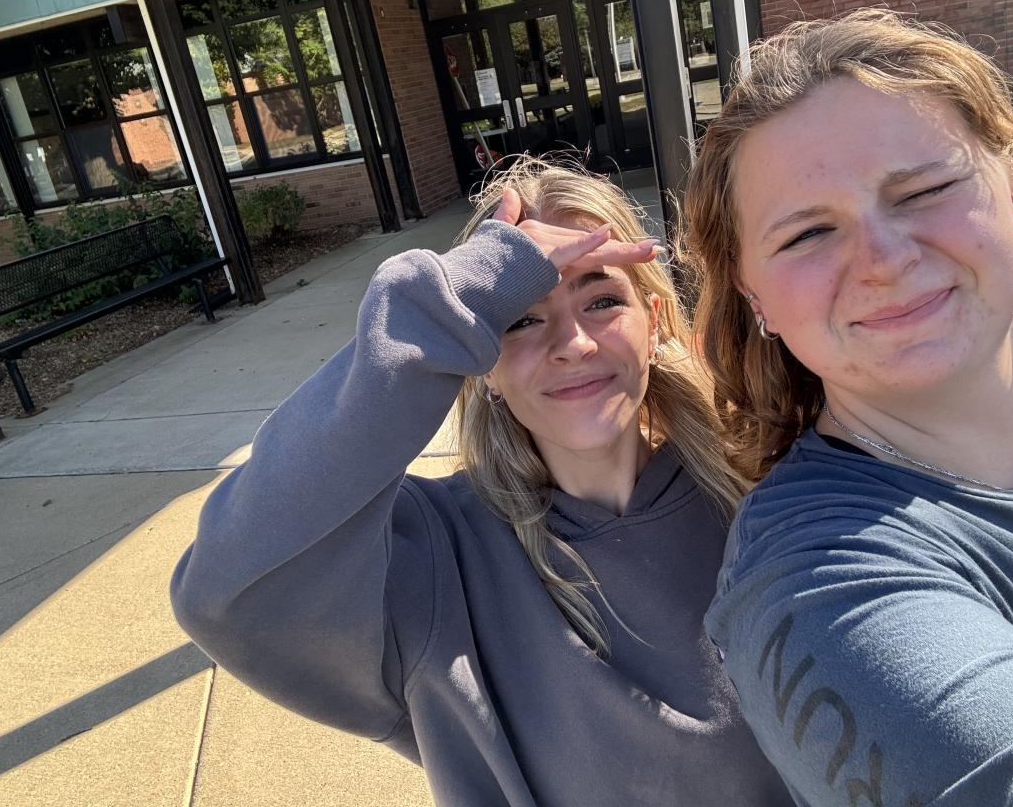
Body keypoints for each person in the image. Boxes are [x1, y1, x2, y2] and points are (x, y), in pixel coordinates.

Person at [682, 9, 1013, 806]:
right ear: (756, 300)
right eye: (807, 234)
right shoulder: (819, 587)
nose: (885, 259)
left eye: (925, 190)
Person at [170, 161, 793, 807]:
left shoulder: (766, 491)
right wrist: (453, 298)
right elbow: (225, 593)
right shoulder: (437, 563)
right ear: (484, 361)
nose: (574, 344)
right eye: (521, 318)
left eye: (603, 300)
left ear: (655, 320)